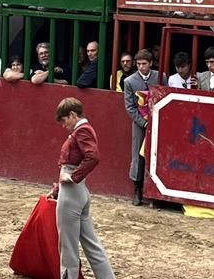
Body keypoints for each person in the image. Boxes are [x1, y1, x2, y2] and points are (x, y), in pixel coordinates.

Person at [50, 97, 116, 279]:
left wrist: (72, 177)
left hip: (72, 194)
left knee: (67, 246)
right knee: (92, 245)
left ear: (73, 114)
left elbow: (93, 156)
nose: (63, 125)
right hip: (80, 193)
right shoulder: (84, 130)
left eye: (64, 120)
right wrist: (58, 189)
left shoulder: (81, 131)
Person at [122, 49, 165, 206]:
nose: (141, 67)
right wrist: (144, 123)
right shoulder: (129, 81)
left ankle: (155, 192)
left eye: (144, 64)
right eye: (138, 64)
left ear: (151, 63)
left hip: (159, 122)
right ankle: (137, 190)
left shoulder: (160, 76)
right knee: (138, 156)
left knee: (157, 154)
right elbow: (130, 107)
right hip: (141, 124)